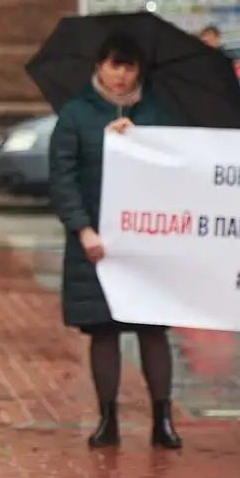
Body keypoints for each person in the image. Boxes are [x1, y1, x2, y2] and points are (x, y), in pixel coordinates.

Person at [48, 32, 183, 450]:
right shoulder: (75, 115)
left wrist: (139, 140)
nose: (121, 75)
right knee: (104, 332)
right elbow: (63, 178)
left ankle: (163, 419)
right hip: (95, 245)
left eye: (129, 67)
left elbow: (177, 166)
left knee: (151, 329)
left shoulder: (157, 112)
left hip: (146, 243)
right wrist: (83, 229)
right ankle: (108, 419)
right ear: (98, 65)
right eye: (114, 65)